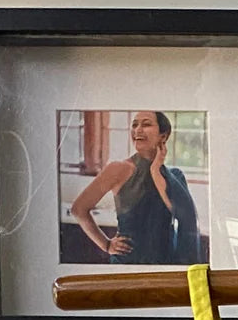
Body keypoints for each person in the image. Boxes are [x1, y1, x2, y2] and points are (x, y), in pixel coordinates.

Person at [70, 110, 200, 265]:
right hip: (126, 265)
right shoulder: (118, 169)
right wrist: (106, 244)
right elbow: (78, 209)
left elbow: (184, 216)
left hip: (163, 265)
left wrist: (155, 170)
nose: (138, 130)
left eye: (146, 124)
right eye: (134, 125)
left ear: (163, 136)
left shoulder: (175, 176)